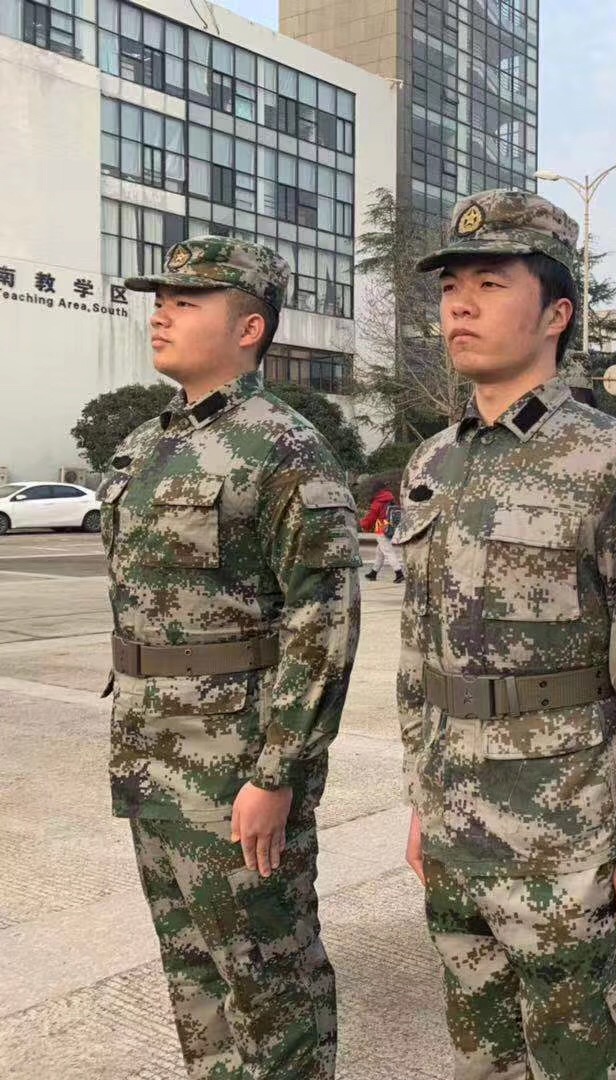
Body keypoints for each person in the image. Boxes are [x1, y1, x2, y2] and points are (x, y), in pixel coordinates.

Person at [395, 190, 616, 1079]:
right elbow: (418, 653)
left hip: (569, 828)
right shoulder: (434, 460)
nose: (460, 305)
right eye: (452, 287)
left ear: (557, 313)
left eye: (490, 283)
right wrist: (421, 799)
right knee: (481, 1055)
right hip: (455, 816)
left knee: (578, 1055)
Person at [99, 236, 362, 1078]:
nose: (162, 314)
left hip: (234, 765)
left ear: (249, 328)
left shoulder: (283, 446)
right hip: (148, 753)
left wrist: (278, 771)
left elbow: (322, 618)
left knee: (268, 979)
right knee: (193, 975)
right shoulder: (143, 445)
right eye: (160, 300)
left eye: (187, 301)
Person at [360, 484, 404, 583]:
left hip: (381, 526)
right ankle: (374, 572)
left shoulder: (378, 501)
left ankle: (399, 573)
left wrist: (363, 525)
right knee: (380, 551)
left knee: (388, 551)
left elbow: (371, 517)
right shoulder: (391, 498)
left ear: (376, 491)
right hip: (391, 526)